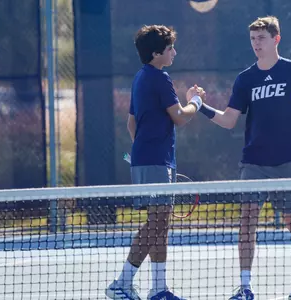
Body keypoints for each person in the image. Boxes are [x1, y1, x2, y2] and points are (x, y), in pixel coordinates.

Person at [195, 16, 291, 300]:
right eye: (253, 39)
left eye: (262, 38)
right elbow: (229, 120)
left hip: (288, 161)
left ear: (276, 39)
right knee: (246, 223)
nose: (256, 44)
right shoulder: (246, 79)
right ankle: (245, 287)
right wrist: (201, 107)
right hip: (253, 162)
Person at [105, 24, 204, 300]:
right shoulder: (160, 78)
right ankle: (121, 283)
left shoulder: (140, 78)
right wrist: (195, 101)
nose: (174, 51)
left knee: (160, 223)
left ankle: (159, 289)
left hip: (152, 159)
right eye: (170, 48)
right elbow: (181, 117)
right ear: (156, 53)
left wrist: (144, 152)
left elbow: (131, 123)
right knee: (158, 224)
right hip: (156, 160)